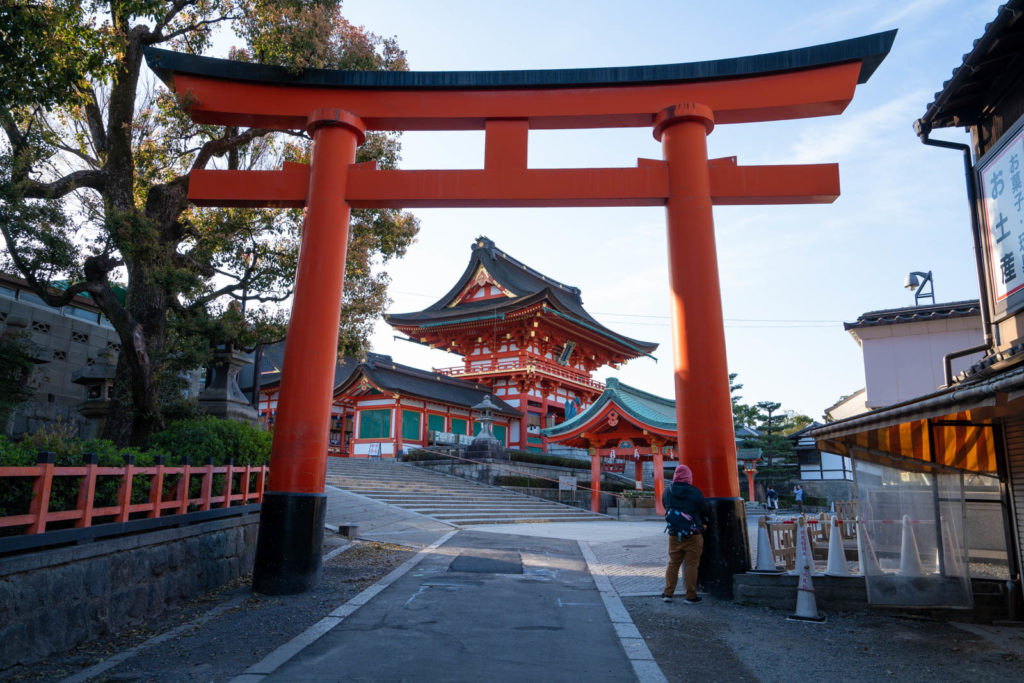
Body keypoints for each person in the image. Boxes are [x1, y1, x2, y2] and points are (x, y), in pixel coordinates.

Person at [661, 464, 710, 604]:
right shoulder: (695, 492)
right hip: (692, 533)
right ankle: (690, 596)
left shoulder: (668, 491)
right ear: (689, 477)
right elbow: (705, 509)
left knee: (673, 563)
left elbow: (666, 506)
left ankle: (668, 593)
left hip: (674, 533)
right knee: (691, 564)